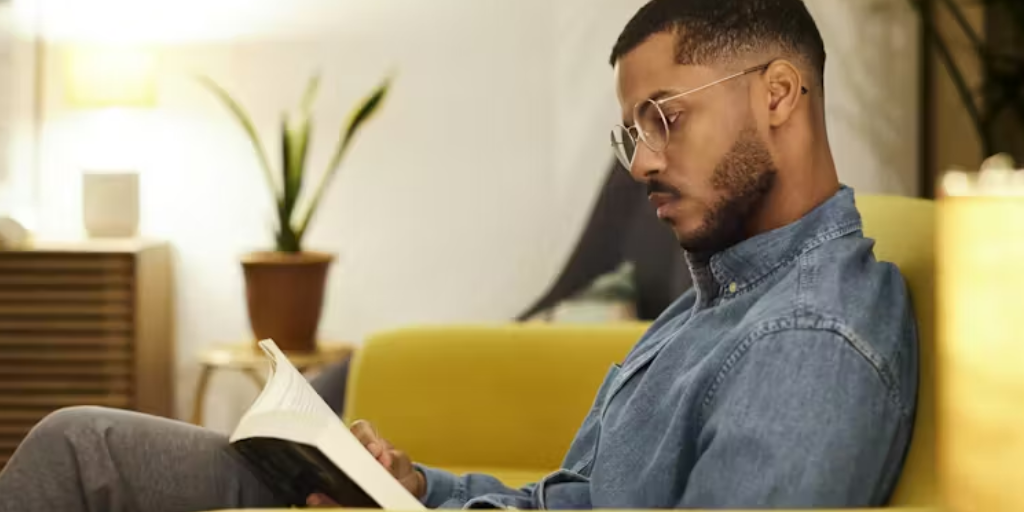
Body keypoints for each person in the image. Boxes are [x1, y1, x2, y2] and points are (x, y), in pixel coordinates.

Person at [0, 0, 918, 510]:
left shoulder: (809, 343)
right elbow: (570, 502)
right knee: (86, 447)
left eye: (664, 118)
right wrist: (416, 488)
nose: (641, 161)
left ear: (779, 94)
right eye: (630, 132)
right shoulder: (722, 295)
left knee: (82, 460)